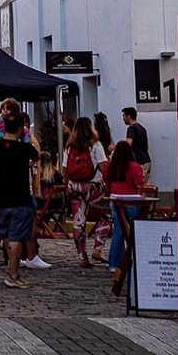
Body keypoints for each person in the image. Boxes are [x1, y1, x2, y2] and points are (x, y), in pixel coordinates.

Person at [0, 113, 39, 288]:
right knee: (15, 237)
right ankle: (12, 275)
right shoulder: (24, 148)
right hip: (19, 198)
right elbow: (36, 154)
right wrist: (26, 136)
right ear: (21, 129)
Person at [63, 117, 110, 268]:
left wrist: (67, 184)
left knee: (79, 221)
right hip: (92, 187)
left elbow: (65, 168)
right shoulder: (95, 145)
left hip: (74, 187)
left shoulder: (69, 147)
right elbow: (103, 167)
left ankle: (82, 256)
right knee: (105, 216)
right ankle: (98, 249)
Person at [105, 141, 144, 273]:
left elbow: (107, 183)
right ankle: (133, 260)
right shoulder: (134, 167)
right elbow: (139, 183)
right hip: (131, 200)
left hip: (115, 200)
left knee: (119, 231)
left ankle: (114, 263)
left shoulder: (112, 167)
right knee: (132, 231)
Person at [121, 107, 151, 183]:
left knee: (137, 187)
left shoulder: (131, 129)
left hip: (139, 163)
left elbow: (127, 145)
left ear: (129, 116)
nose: (123, 118)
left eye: (124, 116)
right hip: (147, 161)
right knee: (145, 188)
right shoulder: (142, 128)